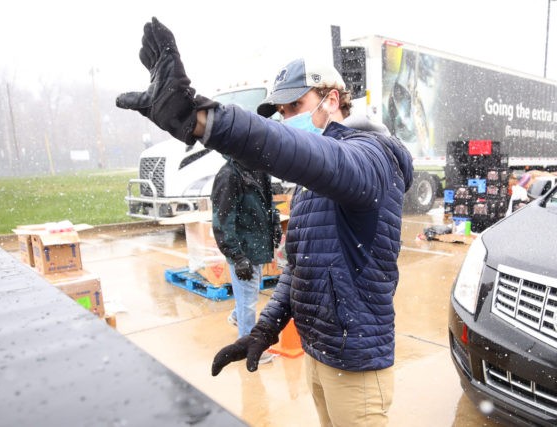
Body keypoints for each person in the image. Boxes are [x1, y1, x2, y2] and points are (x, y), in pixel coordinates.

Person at [116, 18, 414, 427]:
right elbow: (303, 268)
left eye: (295, 106)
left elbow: (306, 153)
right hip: (320, 353)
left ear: (332, 99)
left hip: (356, 365)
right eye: (280, 111)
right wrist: (266, 328)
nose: (286, 118)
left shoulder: (370, 156)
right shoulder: (310, 185)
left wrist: (205, 121)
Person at [211, 155, 282, 365]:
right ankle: (249, 348)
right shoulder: (229, 176)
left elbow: (269, 202)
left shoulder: (258, 169)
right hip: (244, 250)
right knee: (249, 303)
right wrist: (236, 256)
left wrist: (275, 223)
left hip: (258, 245)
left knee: (248, 296)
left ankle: (236, 317)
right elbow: (223, 221)